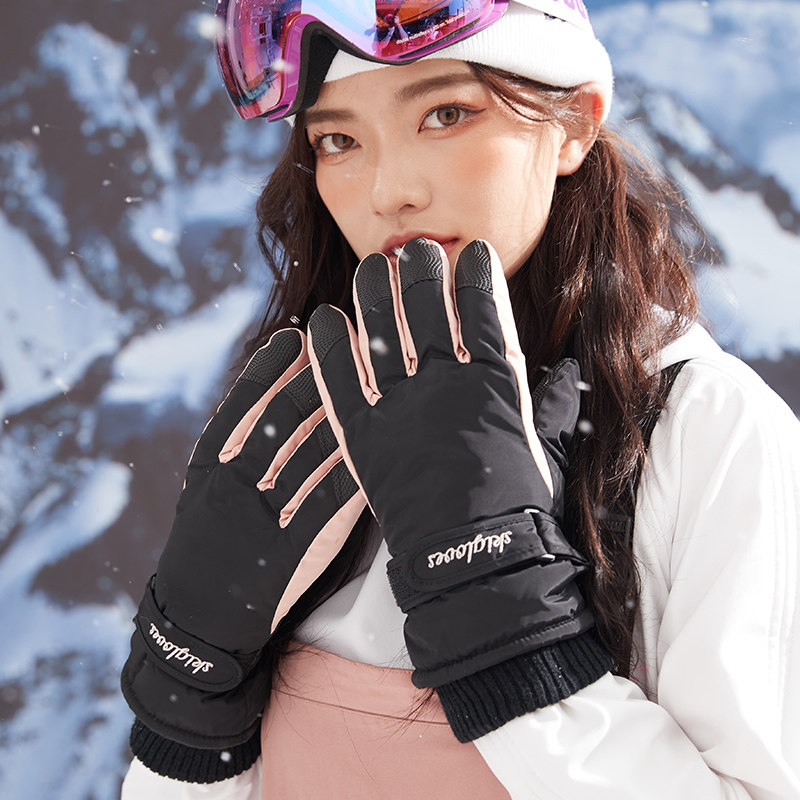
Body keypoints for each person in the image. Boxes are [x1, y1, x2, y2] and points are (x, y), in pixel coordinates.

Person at [119, 1, 800, 797]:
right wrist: (190, 702)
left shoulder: (707, 432)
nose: (389, 191)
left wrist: (506, 621)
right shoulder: (304, 425)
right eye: (338, 140)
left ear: (575, 123)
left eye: (445, 114)